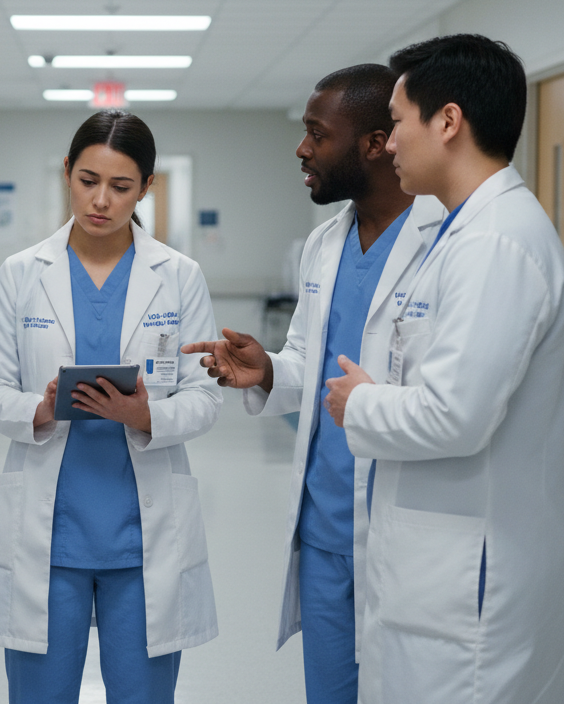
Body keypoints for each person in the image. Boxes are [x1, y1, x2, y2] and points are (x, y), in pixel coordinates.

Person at [181, 64, 444, 704]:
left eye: (316, 135)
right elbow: (309, 359)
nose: (302, 149)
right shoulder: (324, 245)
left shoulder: (448, 242)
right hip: (326, 528)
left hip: (408, 525)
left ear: (375, 143)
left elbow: (449, 400)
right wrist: (269, 369)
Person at [325, 34, 564, 703]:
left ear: (448, 121)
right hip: (441, 574)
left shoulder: (496, 242)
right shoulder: (462, 234)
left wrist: (361, 404)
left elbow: (453, 416)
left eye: (400, 123)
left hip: (469, 588)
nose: (390, 143)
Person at [0, 110, 223, 704]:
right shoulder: (21, 274)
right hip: (49, 536)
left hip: (142, 537)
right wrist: (41, 409)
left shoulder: (179, 277)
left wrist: (146, 417)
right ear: (66, 173)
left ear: (148, 188)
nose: (101, 201)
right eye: (88, 181)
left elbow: (205, 398)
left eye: (121, 186)